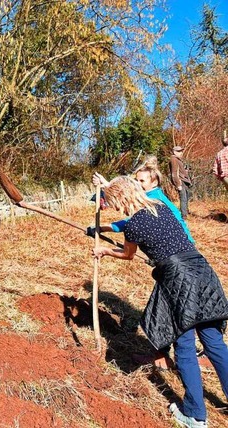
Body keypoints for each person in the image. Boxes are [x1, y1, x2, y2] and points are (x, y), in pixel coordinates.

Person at [92, 176, 228, 428]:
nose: (118, 209)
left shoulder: (134, 225)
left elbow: (127, 255)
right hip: (202, 270)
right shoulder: (161, 207)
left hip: (179, 282)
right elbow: (127, 195)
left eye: (115, 203)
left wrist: (104, 251)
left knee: (184, 344)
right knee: (214, 342)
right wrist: (106, 184)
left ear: (121, 199)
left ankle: (195, 415)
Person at [89, 161, 193, 370]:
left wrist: (101, 229)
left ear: (154, 181)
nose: (138, 183)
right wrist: (107, 186)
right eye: (136, 180)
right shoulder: (149, 196)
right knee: (172, 309)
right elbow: (127, 198)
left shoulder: (154, 199)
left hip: (176, 257)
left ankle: (167, 355)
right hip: (173, 257)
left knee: (169, 311)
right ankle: (165, 353)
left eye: (141, 180)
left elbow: (130, 220)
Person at [169, 145, 193, 219]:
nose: (181, 153)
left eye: (181, 151)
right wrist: (178, 184)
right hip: (180, 181)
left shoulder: (177, 159)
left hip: (183, 181)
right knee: (183, 198)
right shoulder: (173, 159)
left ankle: (185, 213)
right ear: (174, 152)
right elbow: (174, 173)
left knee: (186, 197)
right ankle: (184, 216)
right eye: (179, 151)